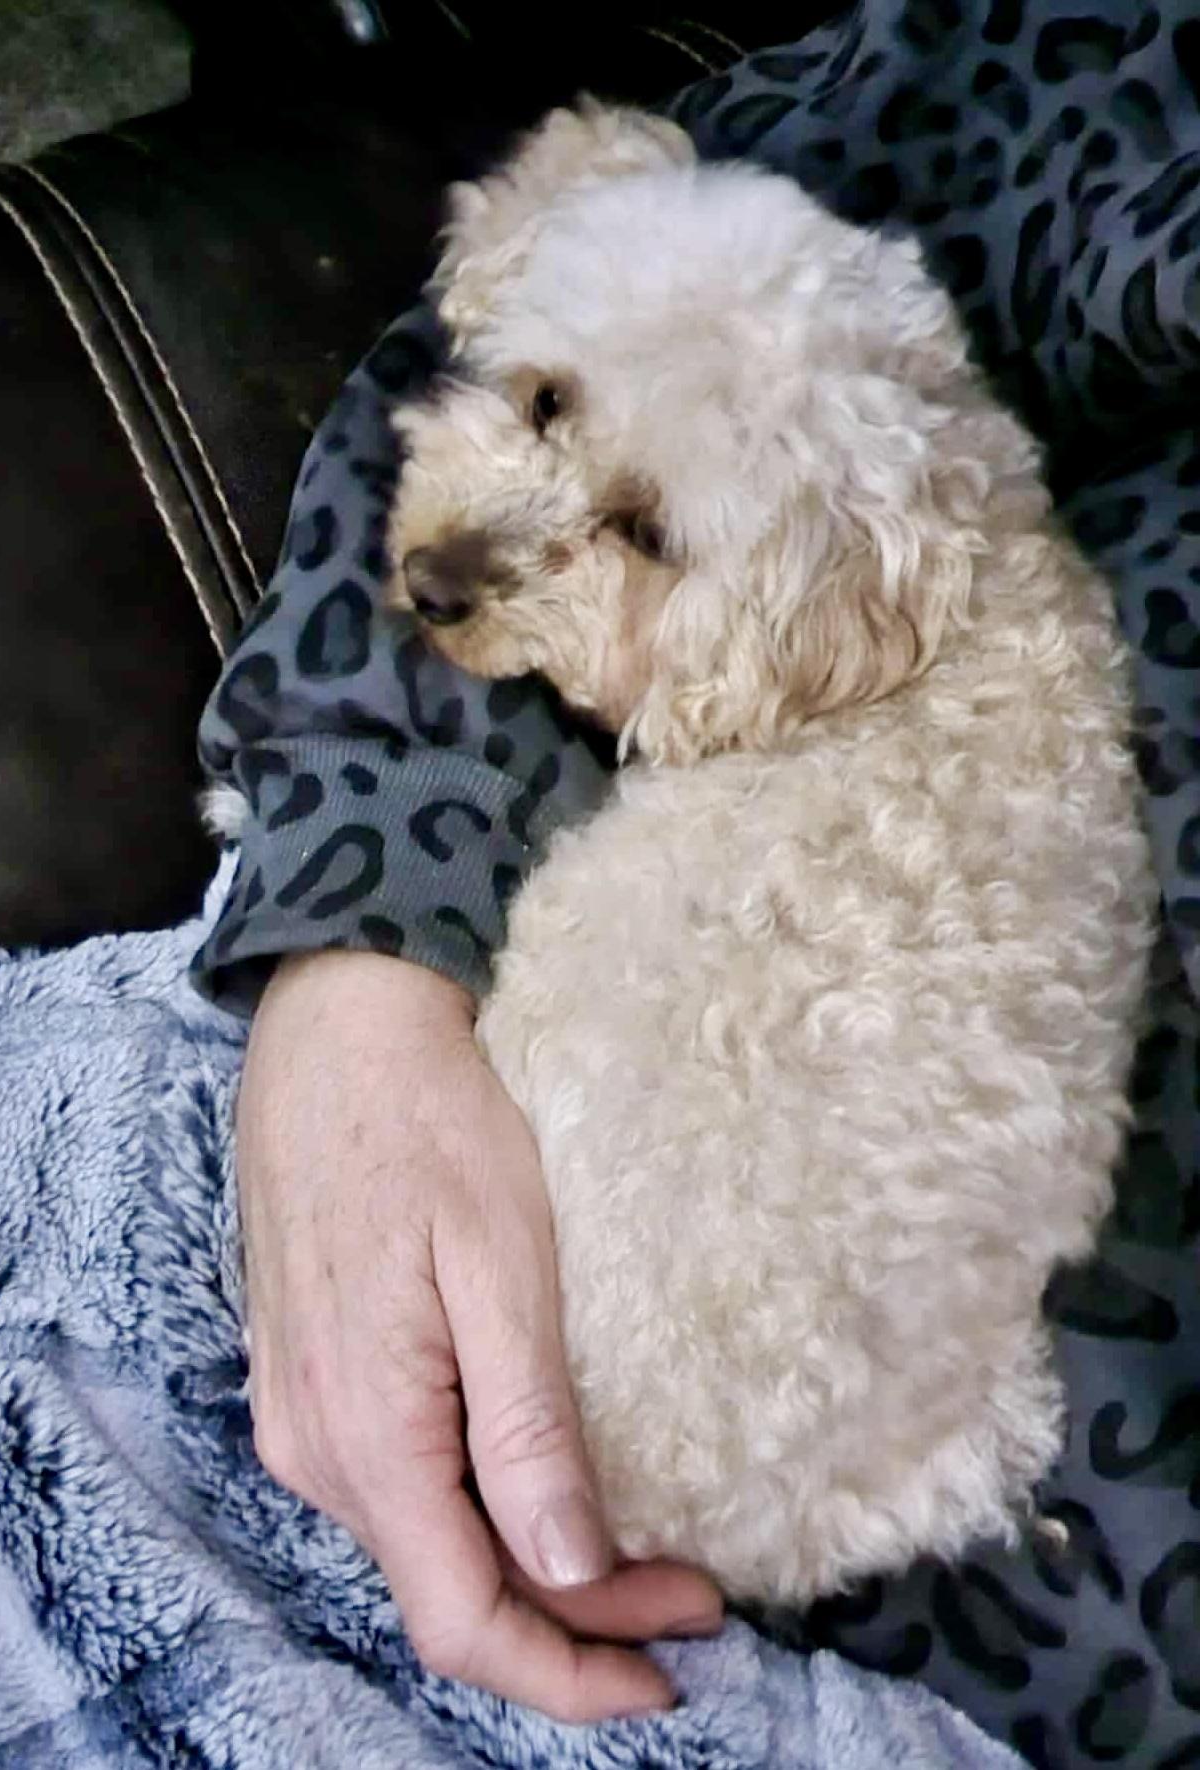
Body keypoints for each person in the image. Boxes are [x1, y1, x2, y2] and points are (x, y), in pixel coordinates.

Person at [196, 3, 1200, 1758]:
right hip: (590, 1352)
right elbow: (632, 270)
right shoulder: (1109, 98)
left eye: (642, 525)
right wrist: (356, 940)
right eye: (543, 407)